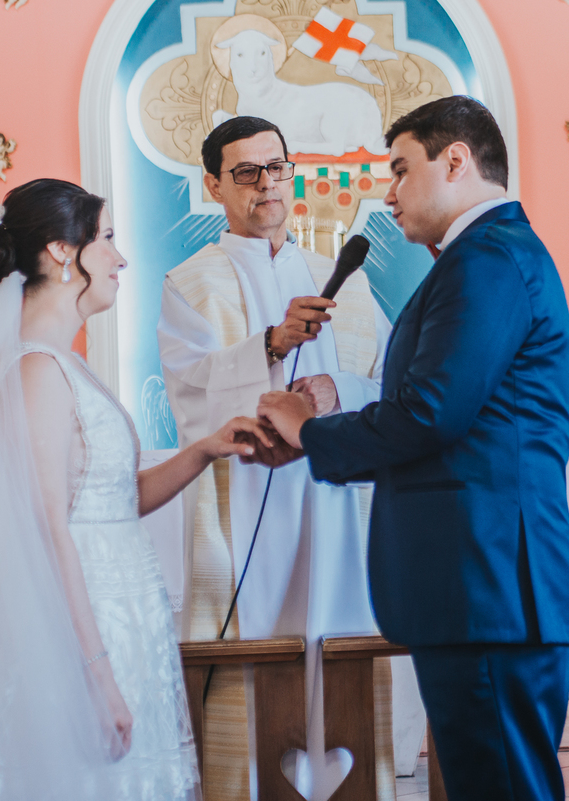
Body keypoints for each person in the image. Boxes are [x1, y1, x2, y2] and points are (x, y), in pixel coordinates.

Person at [0, 178, 275, 801]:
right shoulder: (35, 372)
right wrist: (94, 673)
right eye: (106, 238)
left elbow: (112, 504)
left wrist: (206, 448)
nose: (120, 258)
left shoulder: (64, 364)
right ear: (61, 251)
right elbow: (48, 530)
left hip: (122, 625)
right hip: (78, 637)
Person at [256, 96, 569, 801]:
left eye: (401, 169)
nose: (389, 191)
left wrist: (308, 430)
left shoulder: (488, 258)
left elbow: (430, 414)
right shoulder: (484, 256)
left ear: (456, 161)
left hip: (487, 582)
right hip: (483, 584)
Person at [156, 116, 394, 800]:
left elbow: (386, 383)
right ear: (214, 186)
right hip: (247, 502)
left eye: (277, 167)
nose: (267, 184)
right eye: (246, 172)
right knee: (257, 651)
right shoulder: (192, 283)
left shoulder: (340, 278)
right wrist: (269, 343)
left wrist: (335, 391)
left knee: (338, 633)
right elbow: (190, 391)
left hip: (335, 503)